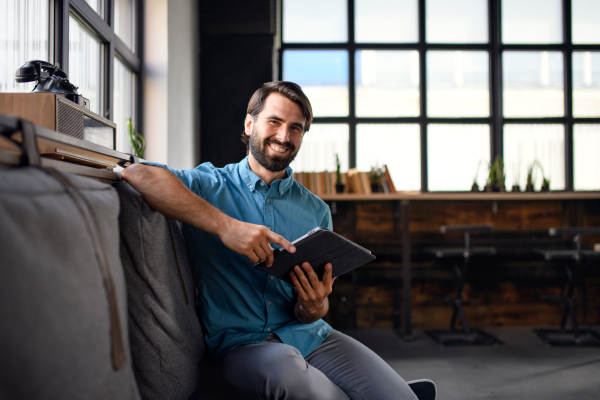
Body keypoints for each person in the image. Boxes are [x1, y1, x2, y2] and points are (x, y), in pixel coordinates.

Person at [122, 81, 436, 400]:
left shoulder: (316, 211)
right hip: (243, 346)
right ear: (250, 123)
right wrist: (226, 226)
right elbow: (137, 174)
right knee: (310, 391)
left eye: (295, 128)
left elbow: (312, 312)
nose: (284, 137)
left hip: (313, 336)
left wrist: (314, 305)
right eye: (274, 122)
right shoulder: (208, 185)